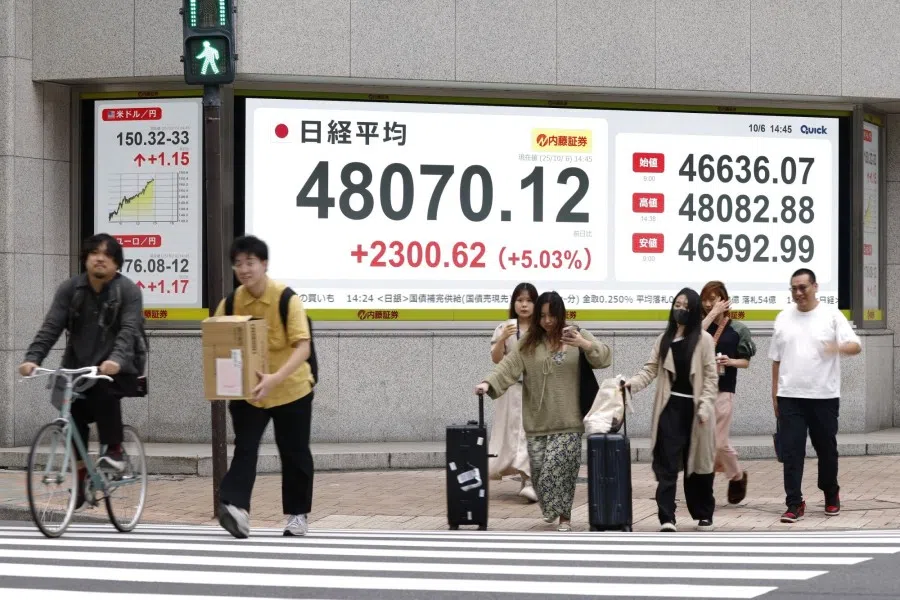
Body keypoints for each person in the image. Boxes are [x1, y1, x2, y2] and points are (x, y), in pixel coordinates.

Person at [19, 233, 145, 508]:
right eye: (94, 253)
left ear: (117, 264)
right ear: (85, 258)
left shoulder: (129, 291)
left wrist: (115, 361)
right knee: (71, 415)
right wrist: (33, 358)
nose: (100, 258)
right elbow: (51, 326)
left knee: (103, 389)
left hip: (120, 368)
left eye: (108, 255)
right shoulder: (70, 290)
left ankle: (115, 450)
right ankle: (81, 476)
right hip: (77, 367)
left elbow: (128, 331)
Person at [474, 291, 612, 531]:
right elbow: (507, 366)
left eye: (552, 315)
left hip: (569, 420)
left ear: (561, 314)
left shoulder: (575, 335)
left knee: (560, 470)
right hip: (537, 422)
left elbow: (604, 357)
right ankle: (551, 510)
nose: (548, 321)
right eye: (543, 316)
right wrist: (488, 383)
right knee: (538, 477)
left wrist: (584, 344)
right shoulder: (528, 344)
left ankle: (565, 518)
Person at [214, 235, 316, 538]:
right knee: (245, 447)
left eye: (250, 262)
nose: (244, 269)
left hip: (291, 388)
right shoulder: (231, 303)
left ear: (264, 264)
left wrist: (275, 378)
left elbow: (303, 347)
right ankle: (236, 509)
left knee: (294, 452)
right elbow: (217, 341)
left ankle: (297, 515)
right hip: (252, 392)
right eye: (238, 263)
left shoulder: (287, 299)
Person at [771, 268, 860, 524]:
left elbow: (856, 345)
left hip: (824, 396)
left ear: (815, 287)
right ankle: (794, 503)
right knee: (792, 452)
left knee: (826, 450)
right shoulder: (783, 318)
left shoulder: (831, 315)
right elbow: (776, 360)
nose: (798, 293)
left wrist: (838, 346)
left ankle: (831, 492)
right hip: (790, 396)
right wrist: (774, 393)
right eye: (794, 289)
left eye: (803, 288)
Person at [625, 288, 718, 532]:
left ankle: (704, 513)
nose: (681, 309)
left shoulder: (704, 340)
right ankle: (667, 517)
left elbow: (710, 377)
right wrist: (630, 385)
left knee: (698, 465)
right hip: (670, 408)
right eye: (678, 304)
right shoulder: (664, 339)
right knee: (667, 464)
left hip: (697, 409)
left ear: (695, 310)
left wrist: (706, 406)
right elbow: (649, 370)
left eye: (687, 306)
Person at [700, 281, 756, 505]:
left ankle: (737, 476)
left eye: (712, 299)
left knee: (719, 442)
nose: (707, 303)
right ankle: (707, 487)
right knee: (705, 443)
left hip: (724, 390)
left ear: (724, 299)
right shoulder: (699, 325)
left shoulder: (738, 329)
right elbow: (689, 340)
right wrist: (711, 313)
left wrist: (730, 361)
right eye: (705, 299)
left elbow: (746, 362)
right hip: (700, 392)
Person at [488, 282, 539, 503]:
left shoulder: (541, 329)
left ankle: (529, 480)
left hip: (535, 389)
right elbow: (497, 360)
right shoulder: (504, 328)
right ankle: (524, 477)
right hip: (510, 391)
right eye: (520, 300)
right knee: (511, 433)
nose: (524, 305)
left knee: (530, 432)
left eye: (528, 300)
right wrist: (501, 340)